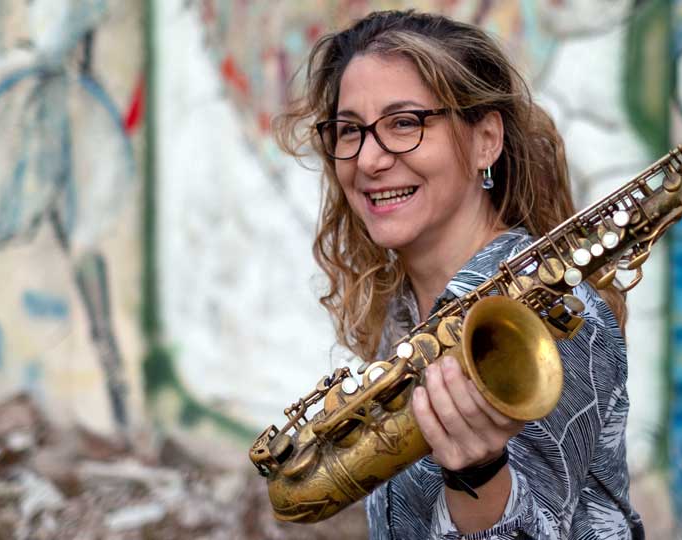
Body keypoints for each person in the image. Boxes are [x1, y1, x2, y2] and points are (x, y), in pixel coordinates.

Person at [276, 10, 644, 540]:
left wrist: (479, 474)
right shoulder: (406, 309)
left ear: (485, 140)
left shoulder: (546, 316)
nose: (369, 159)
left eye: (405, 123)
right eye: (350, 130)